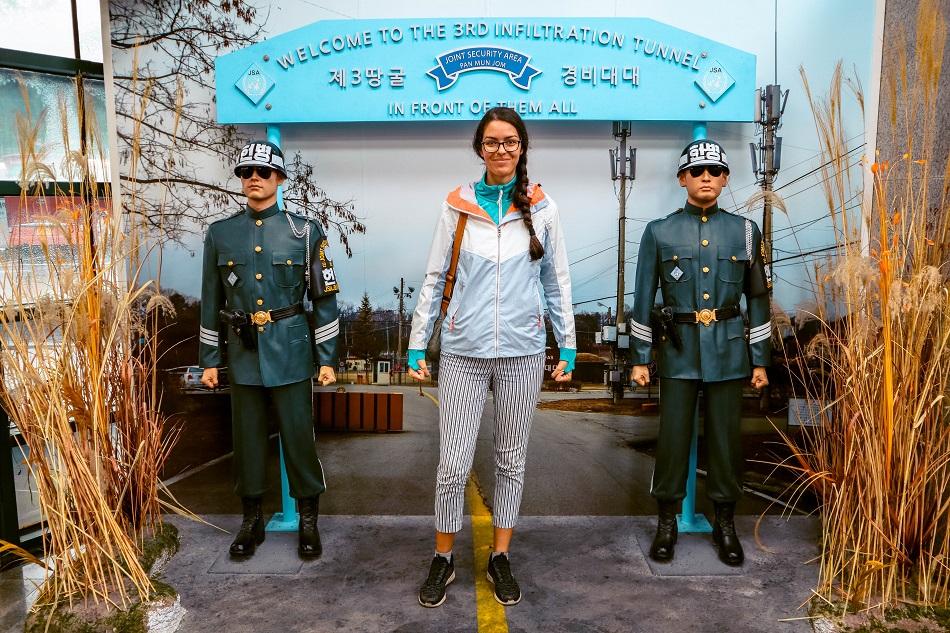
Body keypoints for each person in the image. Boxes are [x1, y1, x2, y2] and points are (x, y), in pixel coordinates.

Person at [406, 107, 577, 607]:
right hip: (464, 350)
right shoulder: (456, 206)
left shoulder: (543, 207)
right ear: (479, 149)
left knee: (510, 460)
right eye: (491, 142)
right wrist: (418, 341)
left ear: (522, 147)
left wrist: (567, 343)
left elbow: (557, 282)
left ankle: (500, 555)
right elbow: (434, 277)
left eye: (510, 142)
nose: (501, 150)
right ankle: (443, 557)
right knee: (452, 463)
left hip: (524, 351)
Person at [628, 139, 772, 566]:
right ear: (682, 179)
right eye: (696, 171)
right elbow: (643, 299)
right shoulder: (659, 232)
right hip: (679, 351)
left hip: (728, 351)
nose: (705, 177)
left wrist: (760, 360)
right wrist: (640, 357)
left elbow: (758, 298)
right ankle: (666, 523)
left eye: (714, 170)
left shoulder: (745, 231)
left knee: (726, 442)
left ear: (725, 179)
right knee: (673, 440)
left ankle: (725, 524)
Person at [198, 140, 340, 560]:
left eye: (262, 171)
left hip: (291, 351)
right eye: (246, 172)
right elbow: (211, 300)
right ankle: (252, 520)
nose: (254, 178)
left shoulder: (306, 232)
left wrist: (327, 358)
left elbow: (324, 299)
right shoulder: (221, 234)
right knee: (247, 441)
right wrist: (210, 361)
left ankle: (308, 520)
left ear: (279, 178)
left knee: (298, 439)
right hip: (243, 355)